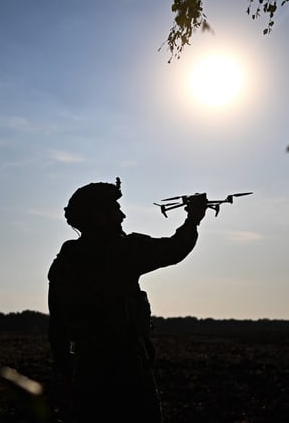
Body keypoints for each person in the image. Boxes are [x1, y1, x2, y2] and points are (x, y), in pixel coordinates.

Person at [47, 178, 207, 423]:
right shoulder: (125, 251)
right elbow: (175, 249)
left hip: (87, 371)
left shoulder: (65, 262)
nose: (121, 215)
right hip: (126, 370)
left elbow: (57, 328)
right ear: (98, 216)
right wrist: (193, 219)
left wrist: (70, 374)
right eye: (114, 209)